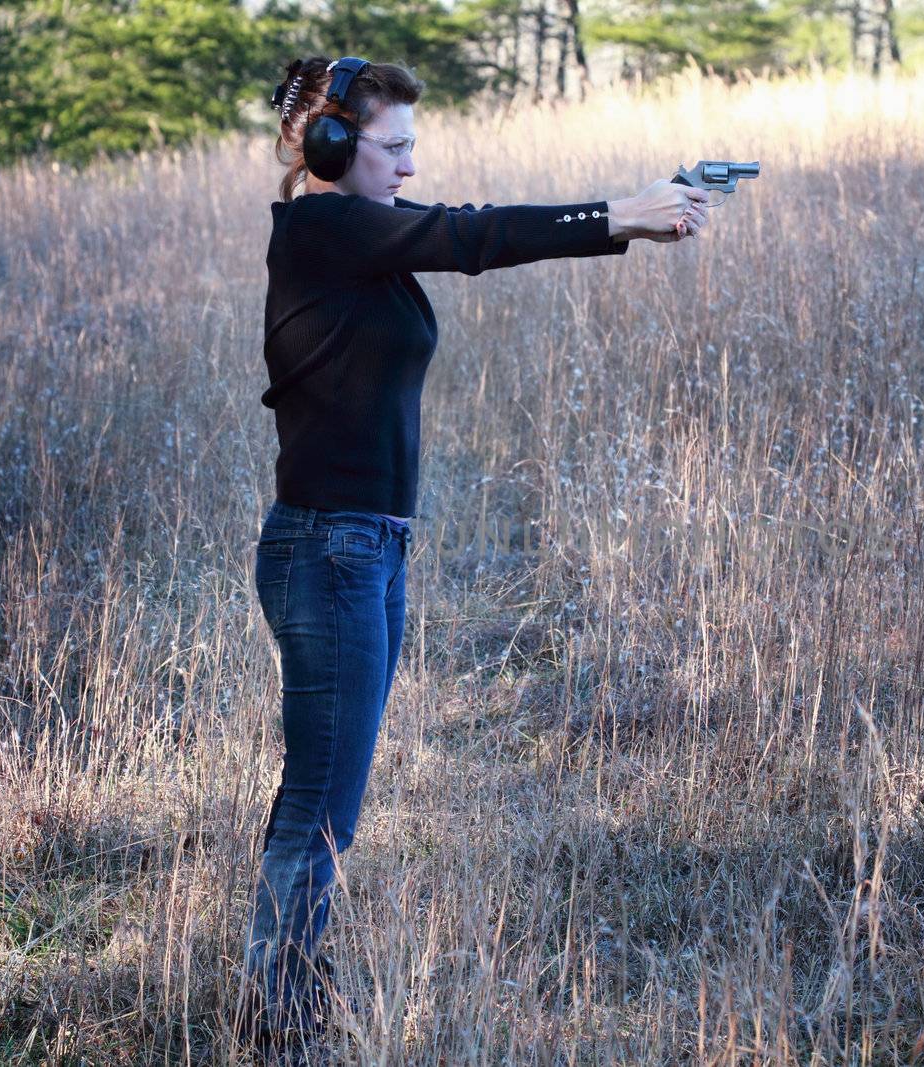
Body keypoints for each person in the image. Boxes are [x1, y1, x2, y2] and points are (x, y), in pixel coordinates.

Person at [237, 55, 710, 1055]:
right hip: (330, 552)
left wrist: (624, 219)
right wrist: (618, 213)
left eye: (415, 147)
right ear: (328, 143)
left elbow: (450, 237)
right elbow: (473, 234)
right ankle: (276, 1022)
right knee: (321, 811)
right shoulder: (324, 229)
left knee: (325, 799)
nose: (412, 165)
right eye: (394, 146)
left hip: (363, 548)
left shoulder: (359, 242)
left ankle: (283, 997)